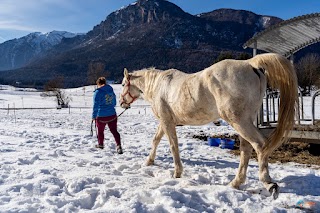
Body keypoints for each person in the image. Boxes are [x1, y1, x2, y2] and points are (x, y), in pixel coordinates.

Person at [92, 77, 123, 154]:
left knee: (100, 131)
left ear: (98, 84)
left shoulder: (98, 92)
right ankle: (118, 145)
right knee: (114, 130)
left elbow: (96, 105)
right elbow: (114, 102)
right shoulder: (111, 90)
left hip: (101, 115)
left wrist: (94, 116)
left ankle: (101, 144)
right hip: (112, 114)